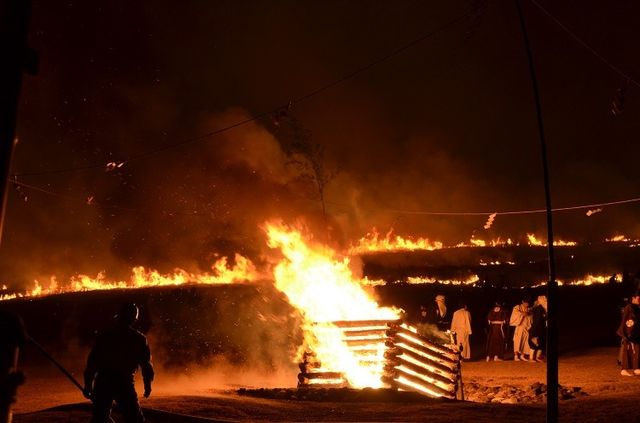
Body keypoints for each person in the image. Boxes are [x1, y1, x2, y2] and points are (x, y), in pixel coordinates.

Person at [84, 302, 154, 423]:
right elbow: (146, 365)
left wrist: (88, 385)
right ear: (134, 319)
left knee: (100, 418)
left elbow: (92, 363)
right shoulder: (138, 339)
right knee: (134, 419)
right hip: (123, 383)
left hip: (104, 382)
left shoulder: (105, 336)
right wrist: (147, 385)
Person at [617, 292, 640, 376]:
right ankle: (624, 369)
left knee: (636, 350)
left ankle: (636, 368)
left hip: (634, 332)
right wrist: (628, 333)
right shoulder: (629, 307)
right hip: (629, 332)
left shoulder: (636, 307)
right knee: (628, 350)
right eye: (638, 298)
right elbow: (628, 320)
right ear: (633, 298)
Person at [528, 295, 547, 362]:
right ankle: (531, 358)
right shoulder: (539, 308)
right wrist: (534, 330)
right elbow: (538, 320)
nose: (546, 301)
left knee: (541, 343)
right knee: (535, 342)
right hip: (537, 328)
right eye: (545, 300)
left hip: (540, 328)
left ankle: (537, 357)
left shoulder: (541, 308)